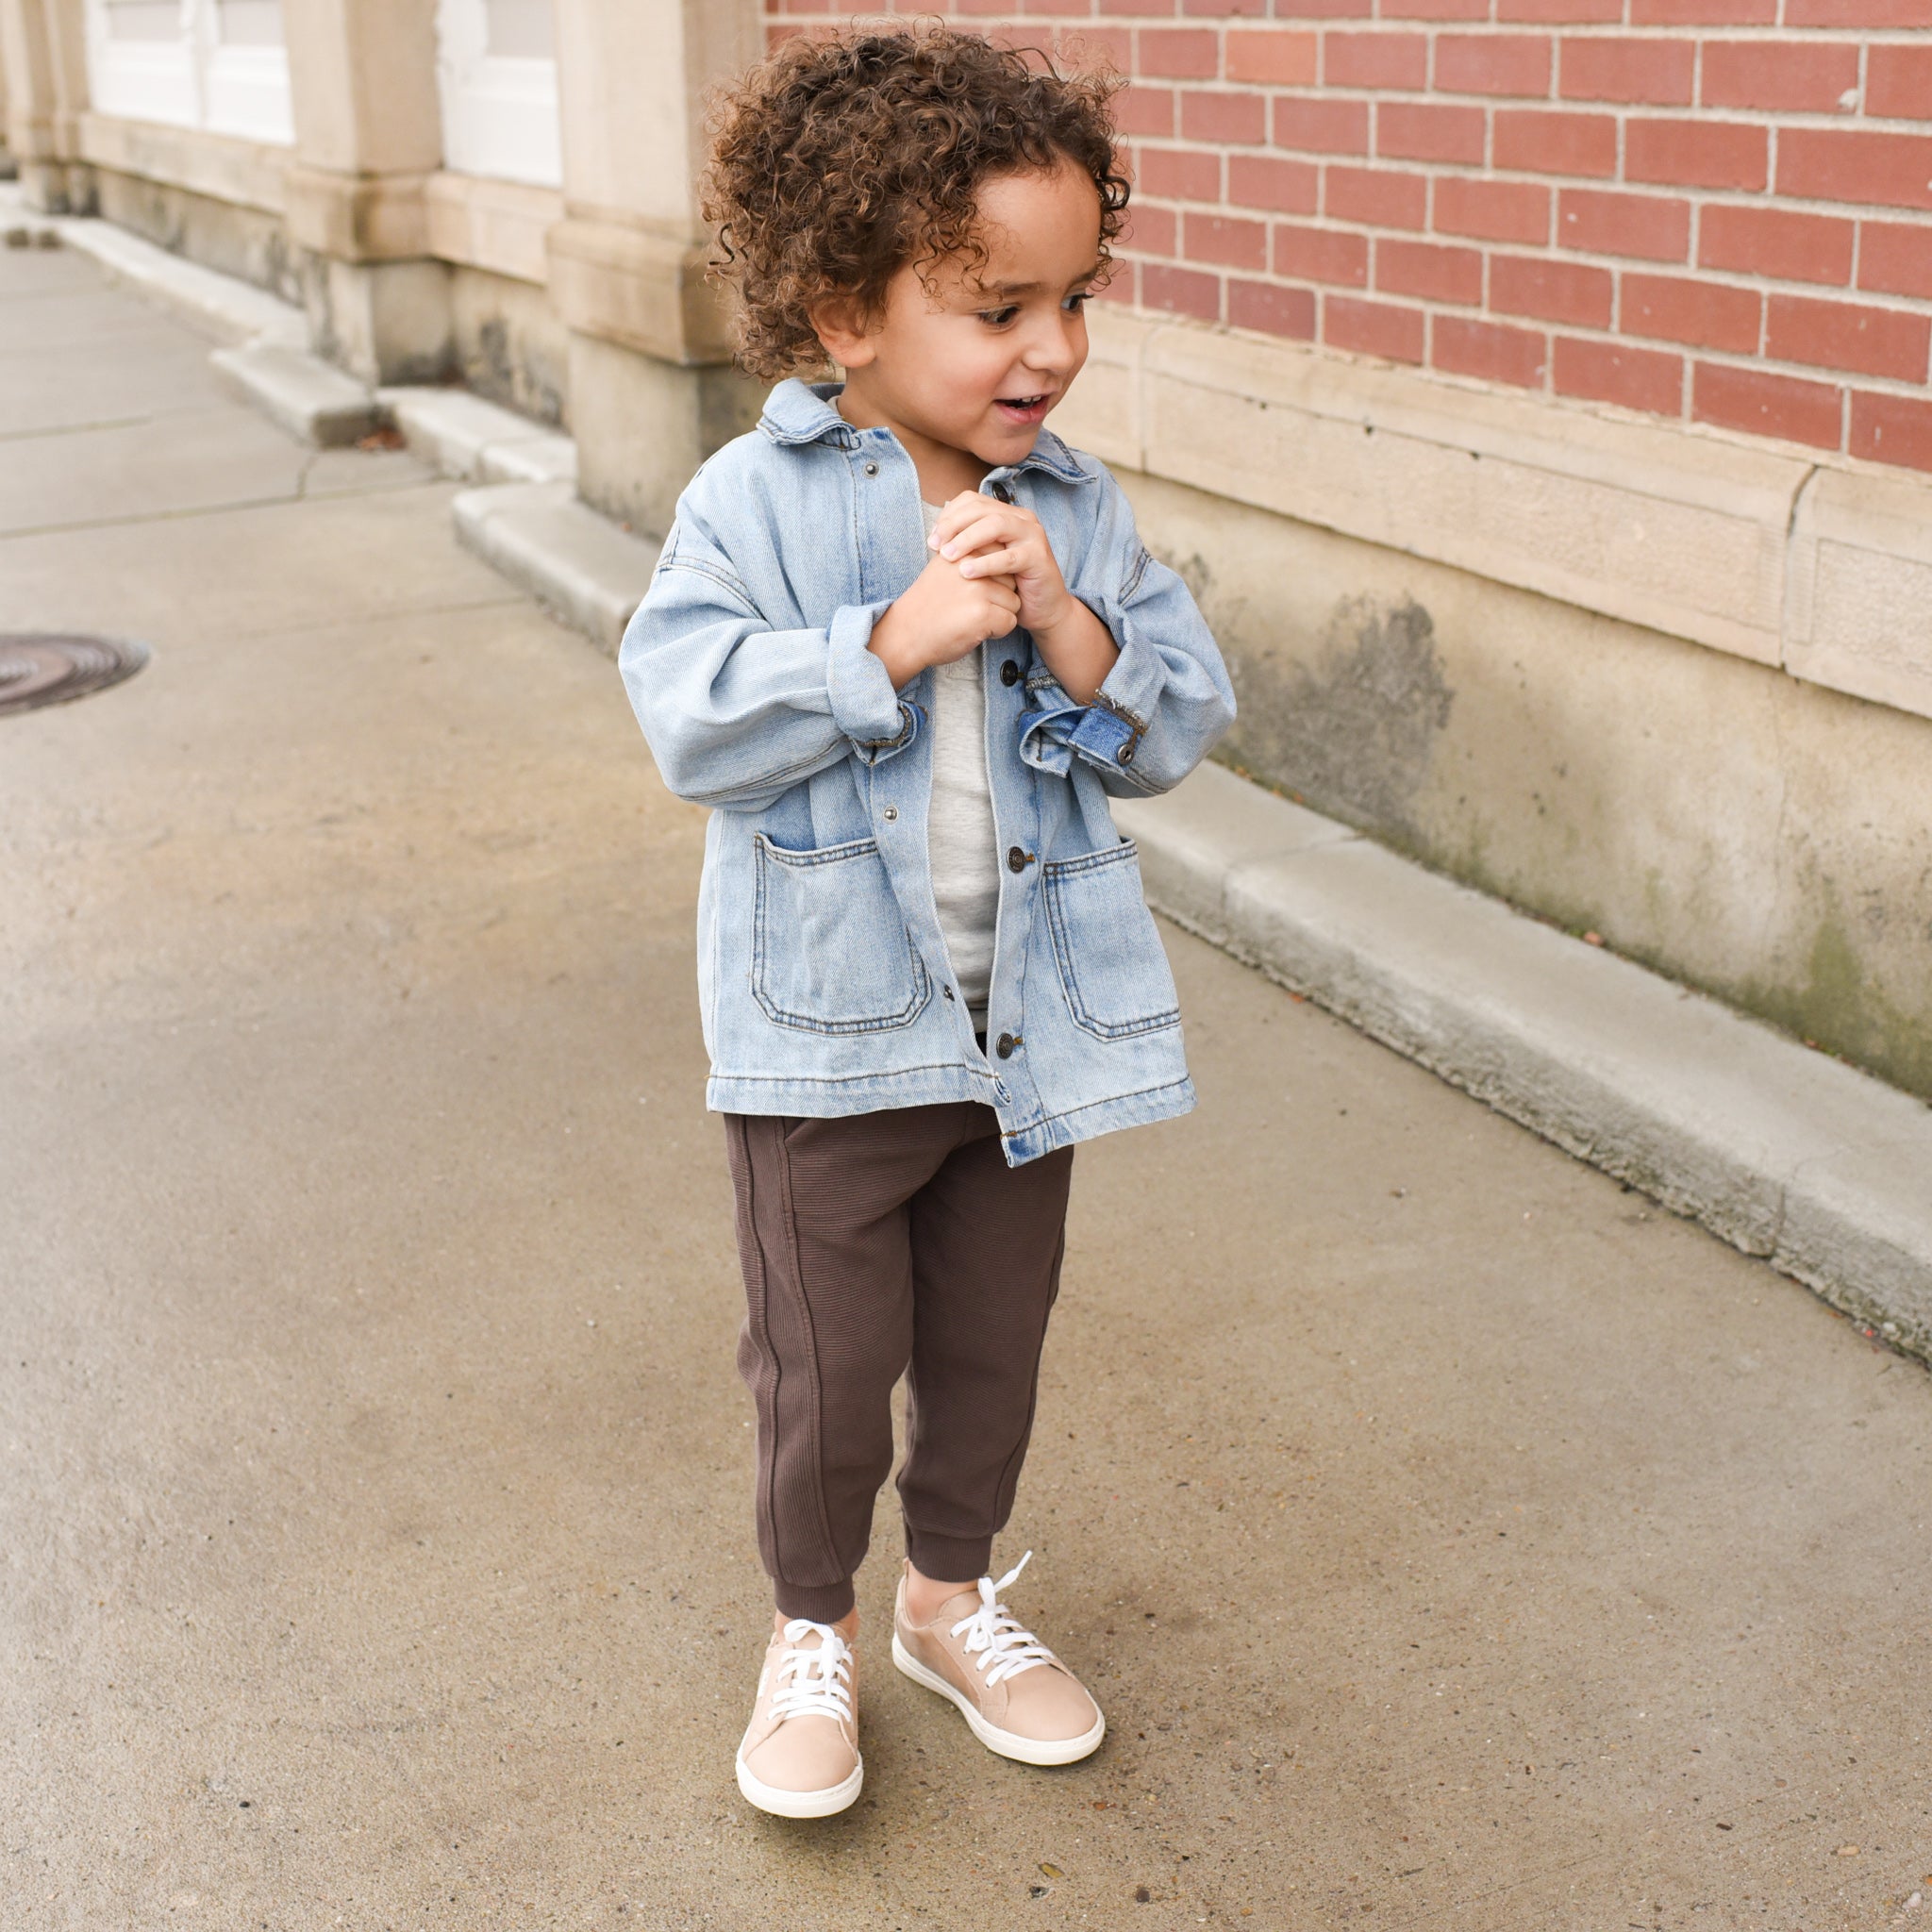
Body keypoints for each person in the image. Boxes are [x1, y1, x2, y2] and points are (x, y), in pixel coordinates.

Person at [617, 22, 1235, 1820]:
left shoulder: (1075, 509)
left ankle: (950, 1600)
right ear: (843, 315)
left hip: (1021, 1033)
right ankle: (809, 1621)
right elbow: (688, 711)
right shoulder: (754, 500)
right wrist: (886, 642)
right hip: (825, 1045)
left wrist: (1065, 626)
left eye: (1074, 297)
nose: (1052, 347)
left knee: (988, 1345)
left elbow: (1177, 720)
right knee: (823, 1368)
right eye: (996, 305)